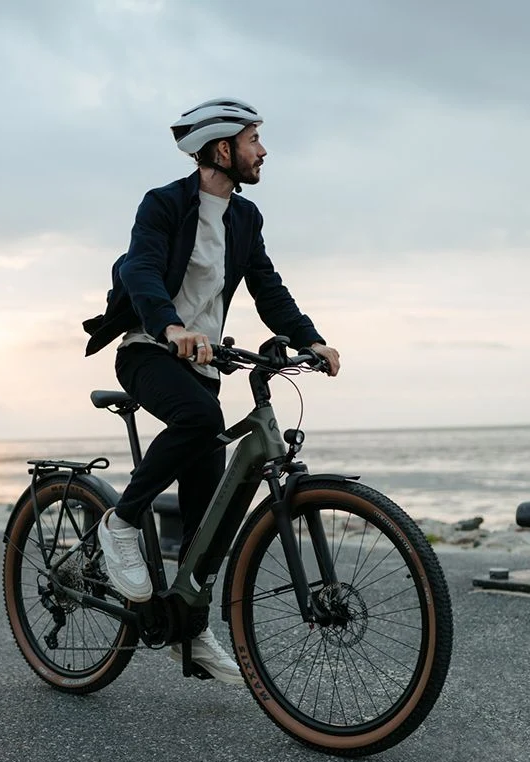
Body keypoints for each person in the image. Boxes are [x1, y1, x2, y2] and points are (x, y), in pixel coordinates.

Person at [81, 98, 341, 684]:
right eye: (254, 139)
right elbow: (140, 271)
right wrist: (170, 326)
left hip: (200, 364)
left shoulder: (245, 220)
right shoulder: (164, 205)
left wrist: (310, 339)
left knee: (211, 508)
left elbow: (267, 288)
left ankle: (191, 628)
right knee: (198, 419)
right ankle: (122, 520)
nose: (263, 150)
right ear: (222, 149)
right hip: (149, 350)